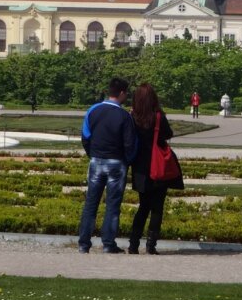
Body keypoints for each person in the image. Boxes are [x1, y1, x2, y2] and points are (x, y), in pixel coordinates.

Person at [78, 77, 138, 254]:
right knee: (112, 205)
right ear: (121, 93)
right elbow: (130, 144)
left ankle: (83, 243)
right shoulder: (124, 115)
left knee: (91, 203)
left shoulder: (93, 110)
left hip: (96, 160)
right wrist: (128, 160)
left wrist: (93, 154)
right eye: (126, 93)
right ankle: (108, 244)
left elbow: (85, 137)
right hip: (116, 163)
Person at [127, 83, 184, 255]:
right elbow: (168, 134)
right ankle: (151, 246)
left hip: (140, 167)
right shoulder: (158, 116)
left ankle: (133, 244)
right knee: (157, 208)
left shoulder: (132, 116)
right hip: (158, 166)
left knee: (143, 206)